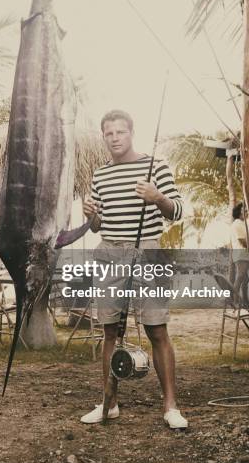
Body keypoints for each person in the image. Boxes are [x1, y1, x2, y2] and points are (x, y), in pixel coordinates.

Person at [79, 109, 188, 429]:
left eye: (120, 132)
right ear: (104, 137)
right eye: (108, 133)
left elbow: (177, 211)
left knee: (156, 328)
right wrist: (91, 216)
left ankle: (170, 406)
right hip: (110, 253)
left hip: (148, 250)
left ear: (131, 133)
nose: (114, 138)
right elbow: (99, 227)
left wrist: (157, 198)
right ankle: (108, 403)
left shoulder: (156, 165)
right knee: (109, 331)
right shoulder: (99, 174)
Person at [230, 202, 249, 309]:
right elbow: (242, 241)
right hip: (241, 254)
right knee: (240, 277)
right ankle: (235, 302)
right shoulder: (237, 224)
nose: (247, 212)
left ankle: (245, 301)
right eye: (244, 211)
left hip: (244, 254)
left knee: (244, 279)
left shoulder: (243, 224)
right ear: (239, 213)